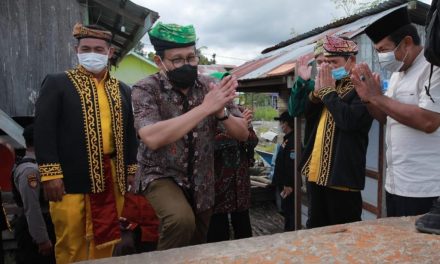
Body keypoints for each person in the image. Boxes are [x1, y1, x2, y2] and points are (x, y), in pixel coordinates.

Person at [132, 22, 249, 250]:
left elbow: (243, 133)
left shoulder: (210, 86)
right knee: (180, 220)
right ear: (159, 62)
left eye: (191, 57)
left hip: (202, 179)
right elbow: (152, 137)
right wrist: (205, 108)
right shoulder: (145, 89)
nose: (186, 64)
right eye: (177, 60)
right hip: (160, 174)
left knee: (197, 241)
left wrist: (221, 112)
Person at [34, 23, 139, 263]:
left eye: (99, 49)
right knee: (71, 241)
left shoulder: (122, 89)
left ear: (109, 53)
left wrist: (131, 170)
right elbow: (43, 130)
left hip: (112, 176)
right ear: (77, 50)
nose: (93, 54)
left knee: (107, 238)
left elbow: (130, 134)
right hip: (70, 176)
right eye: (86, 48)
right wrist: (50, 174)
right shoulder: (58, 83)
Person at [351, 7, 440, 219]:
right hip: (396, 184)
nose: (382, 56)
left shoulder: (433, 68)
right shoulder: (398, 74)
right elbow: (386, 118)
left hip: (426, 188)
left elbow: (429, 121)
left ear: (407, 43)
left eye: (384, 49)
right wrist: (368, 98)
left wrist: (379, 97)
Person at [300, 35, 373, 228]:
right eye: (324, 62)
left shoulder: (362, 86)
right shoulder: (328, 85)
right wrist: (316, 95)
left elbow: (349, 122)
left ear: (351, 61)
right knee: (315, 227)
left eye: (333, 62)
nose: (327, 67)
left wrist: (328, 94)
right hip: (316, 173)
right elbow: (306, 114)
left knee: (344, 232)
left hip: (342, 177)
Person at [207, 104, 258, 242]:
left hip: (240, 182)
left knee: (244, 232)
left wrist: (245, 129)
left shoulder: (240, 111)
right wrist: (238, 131)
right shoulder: (208, 113)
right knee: (218, 234)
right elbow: (207, 144)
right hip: (217, 184)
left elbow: (253, 139)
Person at [288, 38, 325, 228]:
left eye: (330, 61)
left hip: (341, 166)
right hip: (314, 160)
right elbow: (294, 110)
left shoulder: (351, 86)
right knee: (316, 217)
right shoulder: (312, 87)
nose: (324, 66)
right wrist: (301, 81)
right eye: (319, 62)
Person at [12, 124, 56, 264]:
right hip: (35, 229)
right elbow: (32, 207)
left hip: (44, 224)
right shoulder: (30, 171)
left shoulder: (38, 165)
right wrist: (42, 239)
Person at [272, 111, 296, 231]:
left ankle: (290, 233)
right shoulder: (287, 139)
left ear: (286, 123)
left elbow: (291, 165)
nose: (280, 125)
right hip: (283, 183)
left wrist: (288, 184)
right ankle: (288, 230)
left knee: (291, 212)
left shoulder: (293, 141)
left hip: (289, 186)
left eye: (281, 122)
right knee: (286, 211)